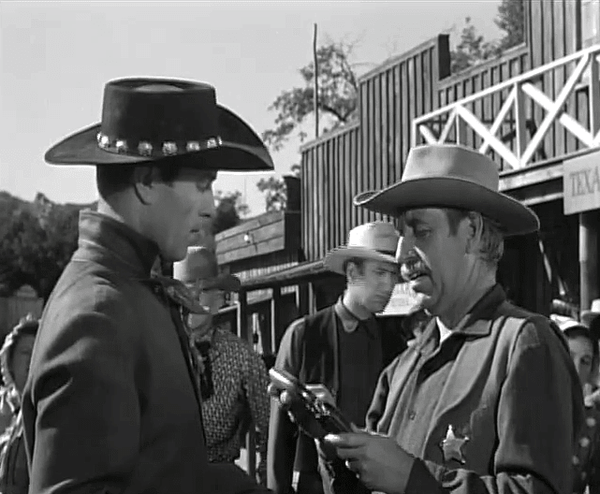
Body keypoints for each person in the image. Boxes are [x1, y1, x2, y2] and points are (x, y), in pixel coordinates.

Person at [273, 144, 584, 494]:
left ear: (471, 231)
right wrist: (336, 447)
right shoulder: (402, 367)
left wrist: (412, 478)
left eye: (420, 232)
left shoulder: (525, 345)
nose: (402, 255)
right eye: (401, 235)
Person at [22, 77, 274, 494]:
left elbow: (167, 469)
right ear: (146, 182)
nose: (211, 207)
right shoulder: (98, 314)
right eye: (202, 184)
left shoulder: (133, 292)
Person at [267, 222, 404, 494]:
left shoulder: (395, 343)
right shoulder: (305, 335)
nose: (389, 285)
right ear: (352, 272)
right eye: (380, 273)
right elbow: (279, 438)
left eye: (394, 274)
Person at [173, 246, 270, 485]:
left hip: (218, 480)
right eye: (184, 292)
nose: (192, 300)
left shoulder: (241, 356)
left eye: (203, 291)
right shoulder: (154, 347)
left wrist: (265, 480)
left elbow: (271, 427)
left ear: (219, 299)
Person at [552, 315, 600, 494]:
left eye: (585, 361)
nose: (576, 368)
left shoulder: (592, 422)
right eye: (568, 356)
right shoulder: (521, 407)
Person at [0, 315, 38, 494]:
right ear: (11, 362)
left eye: (37, 353)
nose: (31, 360)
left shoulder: (45, 414)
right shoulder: (15, 415)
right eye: (25, 352)